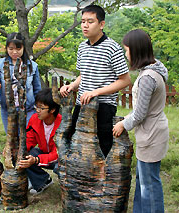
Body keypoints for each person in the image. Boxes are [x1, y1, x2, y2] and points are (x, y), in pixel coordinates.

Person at [60, 5, 131, 157]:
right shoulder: (82, 47)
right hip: (82, 103)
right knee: (77, 141)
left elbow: (125, 80)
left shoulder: (112, 48)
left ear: (101, 24)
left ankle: (102, 179)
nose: (85, 25)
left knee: (102, 147)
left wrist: (95, 92)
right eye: (83, 21)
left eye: (90, 21)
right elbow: (83, 75)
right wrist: (71, 86)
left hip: (104, 106)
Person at [113, 29, 169, 213]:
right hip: (152, 131)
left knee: (149, 185)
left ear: (136, 50)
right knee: (143, 180)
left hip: (151, 133)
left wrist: (122, 124)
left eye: (127, 50)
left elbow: (140, 114)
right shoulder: (155, 68)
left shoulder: (147, 78)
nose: (126, 54)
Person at [0, 32, 41, 133]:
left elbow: (37, 89)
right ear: (6, 48)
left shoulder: (32, 66)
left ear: (23, 48)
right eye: (11, 49)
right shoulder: (0, 64)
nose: (14, 52)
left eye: (18, 49)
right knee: (11, 142)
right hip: (8, 110)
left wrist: (38, 107)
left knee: (26, 141)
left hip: (28, 110)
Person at [18, 88, 62, 195]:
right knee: (25, 155)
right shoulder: (34, 119)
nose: (37, 110)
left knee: (60, 167)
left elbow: (58, 153)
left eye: (41, 108)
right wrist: (17, 150)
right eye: (36, 106)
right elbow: (29, 140)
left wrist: (37, 160)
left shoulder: (63, 123)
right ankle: (42, 181)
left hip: (60, 158)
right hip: (45, 154)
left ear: (52, 110)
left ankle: (70, 190)